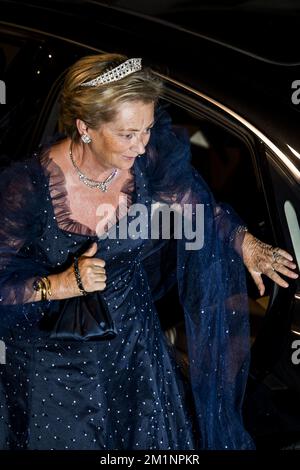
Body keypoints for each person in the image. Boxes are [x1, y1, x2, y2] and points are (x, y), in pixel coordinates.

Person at [0, 53, 298, 451]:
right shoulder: (26, 188)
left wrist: (245, 244)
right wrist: (60, 283)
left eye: (147, 129)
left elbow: (195, 205)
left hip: (134, 349)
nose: (141, 145)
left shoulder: (146, 160)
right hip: (56, 371)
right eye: (128, 134)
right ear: (85, 127)